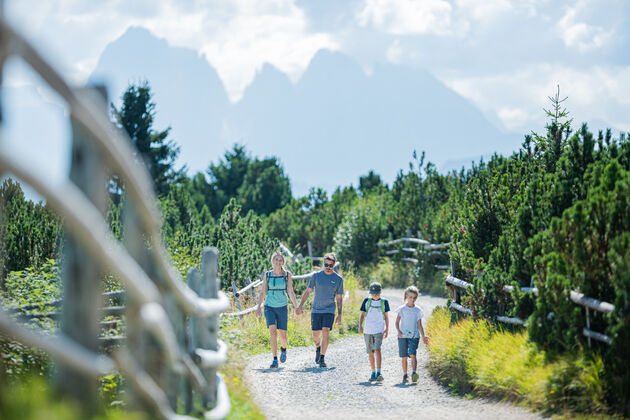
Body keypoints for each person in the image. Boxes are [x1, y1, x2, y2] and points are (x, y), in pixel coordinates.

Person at [297, 252, 344, 368]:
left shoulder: (338, 279)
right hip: (316, 309)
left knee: (326, 331)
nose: (328, 267)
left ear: (334, 265)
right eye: (326, 265)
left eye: (330, 265)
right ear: (323, 264)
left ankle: (322, 358)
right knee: (315, 336)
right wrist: (300, 305)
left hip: (329, 310)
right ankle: (318, 347)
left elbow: (339, 297)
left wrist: (339, 314)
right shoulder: (316, 276)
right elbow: (308, 291)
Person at [256, 251, 300, 368]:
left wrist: (296, 307)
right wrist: (257, 308)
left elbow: (290, 291)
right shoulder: (267, 275)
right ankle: (275, 359)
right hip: (269, 306)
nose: (278, 262)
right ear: (272, 261)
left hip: (282, 307)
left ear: (283, 262)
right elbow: (262, 292)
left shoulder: (287, 275)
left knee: (283, 335)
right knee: (273, 332)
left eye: (280, 260)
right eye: (276, 259)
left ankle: (283, 349)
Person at [395, 285, 430, 383]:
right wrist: (398, 331)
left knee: (413, 354)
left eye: (414, 298)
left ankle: (414, 373)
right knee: (404, 356)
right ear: (406, 296)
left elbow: (419, 325)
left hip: (414, 336)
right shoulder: (402, 309)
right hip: (402, 336)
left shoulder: (417, 310)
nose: (412, 299)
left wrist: (423, 335)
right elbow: (397, 322)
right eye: (410, 297)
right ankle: (405, 375)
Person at [358, 282, 390, 382]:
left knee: (377, 349)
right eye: (373, 293)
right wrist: (360, 326)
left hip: (379, 330)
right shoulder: (366, 301)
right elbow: (362, 315)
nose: (374, 295)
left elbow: (386, 317)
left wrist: (387, 329)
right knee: (370, 352)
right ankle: (373, 372)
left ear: (380, 293)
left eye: (376, 293)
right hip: (368, 330)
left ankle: (379, 372)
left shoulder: (384, 302)